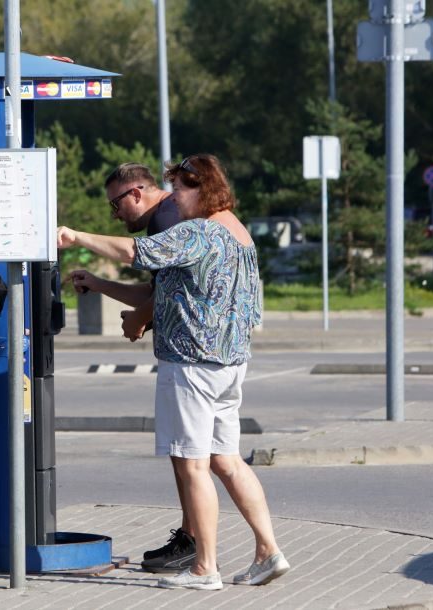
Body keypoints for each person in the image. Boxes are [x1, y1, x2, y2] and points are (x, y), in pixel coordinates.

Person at [57, 154, 289, 591]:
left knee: (192, 465)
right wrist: (102, 285)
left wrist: (76, 236)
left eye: (180, 188)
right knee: (227, 461)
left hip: (192, 365)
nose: (174, 197)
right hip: (229, 364)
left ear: (203, 189)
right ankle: (268, 551)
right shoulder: (237, 233)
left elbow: (134, 252)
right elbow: (165, 290)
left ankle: (205, 568)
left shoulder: (198, 232)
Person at [69, 163, 195, 574]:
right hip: (189, 352)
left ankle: (194, 545)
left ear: (136, 192)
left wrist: (75, 237)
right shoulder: (167, 217)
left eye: (116, 204)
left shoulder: (166, 218)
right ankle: (222, 543)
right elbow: (155, 290)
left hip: (189, 354)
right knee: (200, 457)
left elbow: (153, 279)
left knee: (188, 456)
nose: (116, 215)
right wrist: (101, 286)